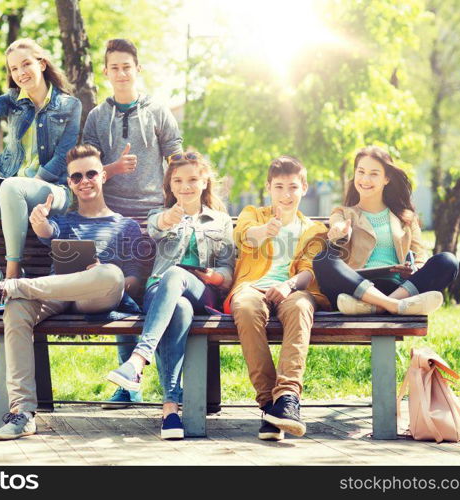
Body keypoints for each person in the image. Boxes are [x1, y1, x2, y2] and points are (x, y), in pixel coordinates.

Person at [0, 144, 145, 441]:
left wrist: (99, 276)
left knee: (110, 273)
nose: (84, 180)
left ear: (103, 176)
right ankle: (22, 413)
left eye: (91, 173)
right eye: (76, 177)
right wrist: (39, 224)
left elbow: (134, 282)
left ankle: (9, 288)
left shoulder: (125, 226)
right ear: (71, 184)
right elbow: (48, 232)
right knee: (17, 308)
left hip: (99, 297)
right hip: (56, 296)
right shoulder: (63, 222)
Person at [82, 38, 183, 408]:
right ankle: (129, 384)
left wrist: (179, 203)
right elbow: (88, 171)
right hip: (114, 219)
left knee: (157, 291)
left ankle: (171, 385)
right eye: (114, 67)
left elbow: (177, 157)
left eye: (127, 66)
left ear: (137, 69)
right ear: (106, 72)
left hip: (154, 215)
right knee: (121, 294)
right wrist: (112, 169)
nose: (121, 73)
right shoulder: (96, 117)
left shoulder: (158, 111)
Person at [106, 152, 234, 439]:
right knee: (179, 308)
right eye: (177, 180)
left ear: (204, 182)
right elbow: (156, 227)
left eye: (191, 180)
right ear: (170, 185)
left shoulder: (221, 220)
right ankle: (170, 411)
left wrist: (218, 276)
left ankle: (138, 360)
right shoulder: (160, 215)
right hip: (160, 292)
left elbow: (228, 269)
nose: (185, 186)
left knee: (176, 274)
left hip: (204, 291)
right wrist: (170, 217)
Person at [0, 38, 81, 284]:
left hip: (54, 191)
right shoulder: (13, 99)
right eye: (13, 69)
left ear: (41, 64)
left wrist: (29, 184)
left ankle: (12, 277)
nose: (20, 73)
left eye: (26, 64)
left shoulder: (70, 105)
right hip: (12, 193)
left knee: (12, 185)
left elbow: (65, 155)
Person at [225, 156, 331, 441]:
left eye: (293, 187)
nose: (286, 194)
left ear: (304, 188)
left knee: (300, 306)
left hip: (293, 289)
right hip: (252, 286)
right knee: (245, 307)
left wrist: (289, 285)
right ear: (268, 188)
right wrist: (263, 232)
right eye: (279, 187)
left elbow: (309, 271)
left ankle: (287, 397)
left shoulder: (314, 229)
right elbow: (242, 235)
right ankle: (269, 405)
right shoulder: (253, 214)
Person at [312, 145, 458, 316]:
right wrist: (339, 231)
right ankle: (394, 306)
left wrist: (413, 269)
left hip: (398, 287)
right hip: (355, 288)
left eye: (374, 174)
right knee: (323, 259)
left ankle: (381, 306)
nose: (365, 179)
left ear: (386, 178)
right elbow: (336, 227)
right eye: (361, 172)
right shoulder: (343, 213)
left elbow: (420, 259)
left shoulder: (406, 218)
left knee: (448, 261)